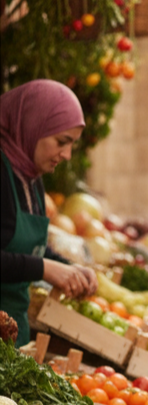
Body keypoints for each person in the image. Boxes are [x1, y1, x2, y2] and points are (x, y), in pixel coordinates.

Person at [1, 80, 98, 345]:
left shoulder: (31, 176)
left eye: (72, 145)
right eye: (61, 142)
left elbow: (29, 250)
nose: (66, 155)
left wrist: (70, 269)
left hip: (13, 336)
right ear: (33, 125)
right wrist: (45, 269)